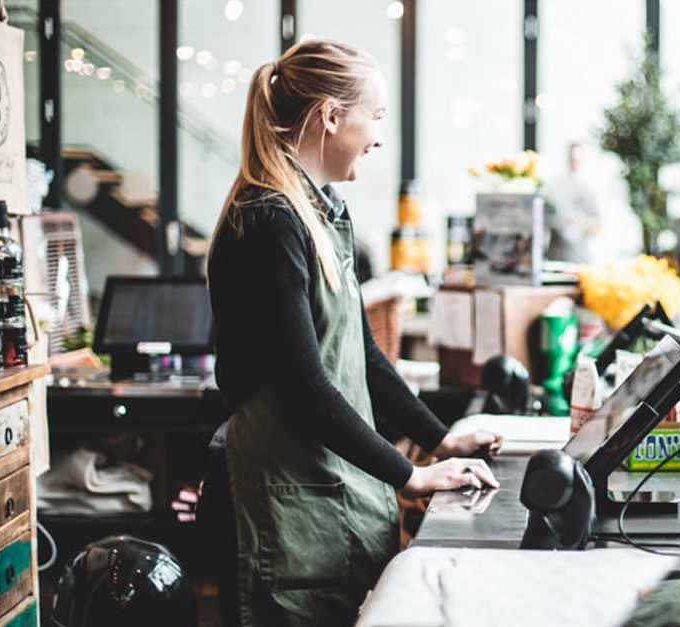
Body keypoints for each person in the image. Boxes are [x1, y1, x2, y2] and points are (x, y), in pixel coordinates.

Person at [201, 39, 503, 627]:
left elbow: (359, 352)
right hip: (283, 500)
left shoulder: (321, 211)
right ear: (331, 116)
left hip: (325, 486)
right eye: (377, 117)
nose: (380, 135)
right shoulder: (268, 219)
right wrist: (411, 474)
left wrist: (438, 440)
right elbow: (304, 387)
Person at [545, 142, 600, 263]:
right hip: (556, 258)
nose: (574, 163)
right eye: (572, 159)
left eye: (577, 160)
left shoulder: (590, 189)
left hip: (580, 259)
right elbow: (544, 220)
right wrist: (562, 220)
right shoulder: (554, 187)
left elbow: (598, 226)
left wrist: (581, 220)